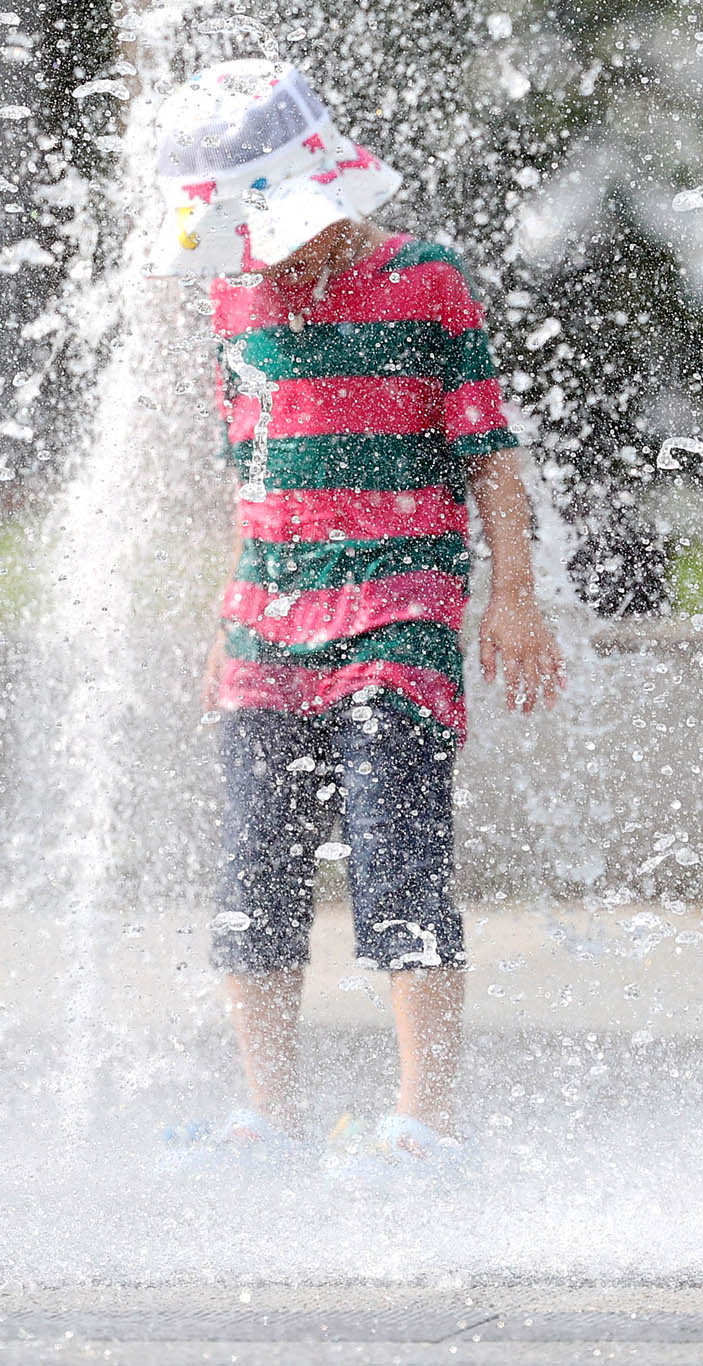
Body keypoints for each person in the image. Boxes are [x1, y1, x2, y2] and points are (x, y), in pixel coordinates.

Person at [151, 60, 566, 1179]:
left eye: (268, 220)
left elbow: (490, 457)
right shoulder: (231, 296)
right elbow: (258, 474)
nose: (261, 250)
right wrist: (224, 622)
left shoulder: (425, 279)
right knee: (254, 871)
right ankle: (266, 1117)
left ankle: (425, 1120)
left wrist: (512, 599)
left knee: (398, 856)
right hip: (265, 620)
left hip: (398, 609)